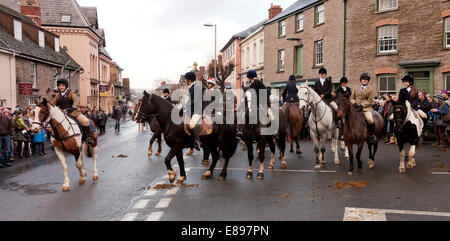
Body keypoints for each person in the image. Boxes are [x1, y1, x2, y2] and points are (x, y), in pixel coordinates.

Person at [51, 78, 94, 144]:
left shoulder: (71, 93)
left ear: (66, 86)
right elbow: (53, 104)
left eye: (62, 85)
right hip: (63, 114)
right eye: (59, 86)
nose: (61, 87)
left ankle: (87, 137)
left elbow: (76, 101)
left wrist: (72, 107)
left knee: (86, 122)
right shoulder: (57, 95)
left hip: (74, 112)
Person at [350, 73, 377, 143]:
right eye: (363, 79)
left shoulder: (370, 89)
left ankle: (372, 135)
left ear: (368, 81)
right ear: (361, 80)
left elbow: (370, 101)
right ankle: (345, 134)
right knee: (346, 117)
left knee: (370, 119)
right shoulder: (356, 87)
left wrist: (362, 105)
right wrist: (354, 103)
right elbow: (352, 98)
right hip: (355, 107)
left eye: (366, 80)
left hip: (366, 108)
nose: (364, 81)